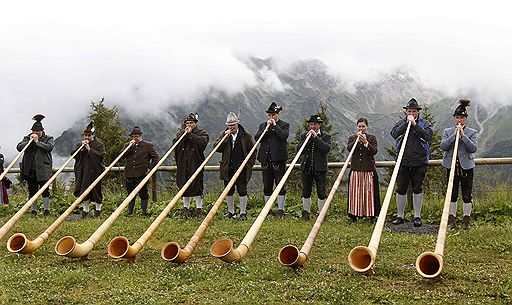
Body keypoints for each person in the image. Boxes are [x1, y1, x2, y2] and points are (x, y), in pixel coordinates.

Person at [390, 98, 433, 227]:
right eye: (409, 111)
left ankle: (417, 216)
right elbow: (394, 134)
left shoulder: (424, 123)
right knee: (401, 189)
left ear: (418, 112)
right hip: (402, 161)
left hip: (419, 162)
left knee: (417, 189)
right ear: (406, 112)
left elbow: (428, 136)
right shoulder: (400, 123)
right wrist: (406, 124)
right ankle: (400, 215)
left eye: (414, 111)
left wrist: (415, 125)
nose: (412, 113)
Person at [440, 99, 478, 229]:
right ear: (454, 118)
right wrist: (454, 136)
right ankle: (452, 219)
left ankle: (466, 220)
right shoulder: (447, 131)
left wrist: (463, 136)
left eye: (462, 117)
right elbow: (443, 146)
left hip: (466, 167)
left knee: (467, 194)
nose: (459, 120)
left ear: (465, 118)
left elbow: (473, 148)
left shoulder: (472, 132)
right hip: (451, 167)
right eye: (457, 117)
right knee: (452, 194)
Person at [214, 112, 256, 220]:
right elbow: (216, 148)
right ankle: (231, 212)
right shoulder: (223, 135)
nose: (231, 127)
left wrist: (249, 165)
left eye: (233, 125)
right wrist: (225, 139)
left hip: (241, 168)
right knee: (229, 190)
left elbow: (253, 150)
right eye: (229, 125)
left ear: (237, 124)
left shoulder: (246, 135)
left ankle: (243, 212)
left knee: (242, 190)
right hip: (228, 168)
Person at [255, 101, 290, 218]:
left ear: (278, 114)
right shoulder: (262, 125)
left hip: (279, 160)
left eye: (273, 115)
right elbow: (257, 138)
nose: (271, 117)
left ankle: (281, 210)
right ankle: (267, 210)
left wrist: (274, 126)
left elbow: (284, 136)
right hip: (265, 159)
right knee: (267, 185)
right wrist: (266, 128)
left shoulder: (284, 124)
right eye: (269, 115)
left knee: (280, 185)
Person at [173, 113, 209, 219]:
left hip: (196, 163)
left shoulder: (202, 133)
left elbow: (202, 144)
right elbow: (175, 143)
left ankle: (198, 210)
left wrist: (190, 135)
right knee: (184, 187)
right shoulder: (181, 134)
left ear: (196, 123)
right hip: (183, 164)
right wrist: (184, 135)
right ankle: (186, 209)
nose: (189, 125)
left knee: (197, 187)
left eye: (191, 123)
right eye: (187, 123)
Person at [17, 114, 54, 216]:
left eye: (38, 131)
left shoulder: (48, 138)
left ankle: (46, 210)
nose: (36, 133)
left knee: (45, 190)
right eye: (34, 131)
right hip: (31, 170)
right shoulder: (27, 138)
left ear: (42, 131)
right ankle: (34, 210)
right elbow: (19, 147)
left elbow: (49, 148)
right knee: (32, 190)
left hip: (43, 169)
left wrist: (37, 142)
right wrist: (29, 141)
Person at [298, 114, 331, 221]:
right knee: (306, 191)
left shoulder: (325, 136)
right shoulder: (304, 135)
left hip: (320, 169)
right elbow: (299, 150)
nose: (312, 126)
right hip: (306, 167)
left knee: (321, 192)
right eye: (311, 124)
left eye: (315, 124)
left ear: (319, 125)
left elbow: (326, 149)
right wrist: (307, 139)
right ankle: (306, 213)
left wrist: (316, 138)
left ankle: (322, 214)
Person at [346, 118, 380, 223]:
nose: (361, 129)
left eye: (363, 126)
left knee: (369, 194)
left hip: (368, 170)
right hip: (355, 170)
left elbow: (374, 151)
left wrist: (365, 142)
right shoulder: (352, 138)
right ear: (357, 127)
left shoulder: (372, 138)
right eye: (359, 126)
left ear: (367, 127)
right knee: (355, 194)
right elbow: (349, 149)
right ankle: (353, 216)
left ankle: (372, 216)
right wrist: (357, 141)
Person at [123, 126, 160, 216]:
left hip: (141, 173)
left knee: (143, 193)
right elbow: (122, 155)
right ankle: (130, 212)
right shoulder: (127, 145)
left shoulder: (148, 145)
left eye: (137, 136)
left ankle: (144, 212)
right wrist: (129, 147)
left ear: (140, 136)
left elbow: (156, 158)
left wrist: (150, 168)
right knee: (130, 194)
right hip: (129, 173)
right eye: (133, 136)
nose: (135, 138)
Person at [72, 122, 105, 219]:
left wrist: (89, 149)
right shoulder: (79, 145)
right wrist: (81, 149)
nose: (86, 137)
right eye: (85, 135)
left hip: (95, 172)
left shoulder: (99, 145)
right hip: (83, 172)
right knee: (83, 191)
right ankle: (85, 211)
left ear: (93, 135)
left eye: (88, 135)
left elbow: (100, 156)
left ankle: (97, 212)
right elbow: (74, 155)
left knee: (96, 192)